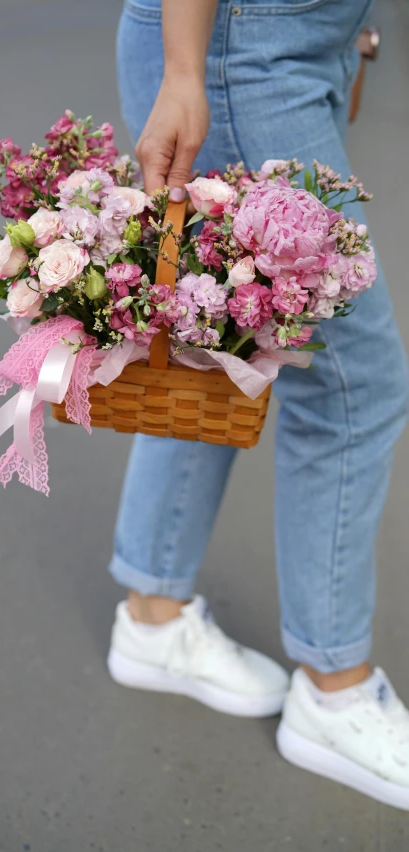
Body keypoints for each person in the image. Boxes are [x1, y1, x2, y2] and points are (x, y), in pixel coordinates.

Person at [106, 0, 409, 809]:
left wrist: (349, 35)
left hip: (277, 47)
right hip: (243, 52)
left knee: (214, 344)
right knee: (349, 379)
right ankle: (333, 691)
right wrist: (185, 69)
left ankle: (154, 612)